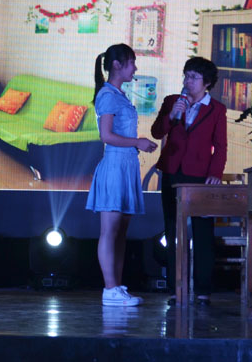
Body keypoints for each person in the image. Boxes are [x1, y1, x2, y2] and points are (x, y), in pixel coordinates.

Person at [150, 57, 227, 305]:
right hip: (173, 173)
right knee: (173, 231)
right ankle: (175, 289)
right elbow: (156, 132)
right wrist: (172, 115)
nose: (187, 81)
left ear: (207, 83)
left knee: (203, 232)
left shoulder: (217, 109)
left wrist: (215, 174)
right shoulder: (172, 101)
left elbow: (221, 147)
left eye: (193, 77)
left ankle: (203, 290)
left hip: (201, 177)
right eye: (186, 75)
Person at [86, 44, 158, 307]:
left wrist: (137, 144)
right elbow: (106, 135)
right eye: (131, 63)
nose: (135, 68)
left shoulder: (120, 95)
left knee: (120, 232)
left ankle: (116, 287)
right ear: (117, 65)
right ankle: (110, 289)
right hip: (115, 167)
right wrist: (137, 142)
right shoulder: (107, 95)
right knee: (110, 230)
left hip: (126, 166)